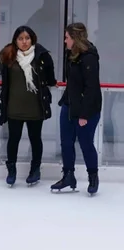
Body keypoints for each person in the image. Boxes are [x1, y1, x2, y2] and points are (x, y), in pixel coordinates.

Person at [0, 25, 57, 186]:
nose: (24, 42)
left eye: (27, 38)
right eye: (21, 39)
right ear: (15, 40)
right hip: (14, 108)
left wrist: (52, 82)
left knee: (35, 139)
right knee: (13, 139)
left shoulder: (41, 55)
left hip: (35, 107)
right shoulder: (8, 54)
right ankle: (11, 170)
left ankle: (35, 170)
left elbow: (50, 77)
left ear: (32, 39)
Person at [51, 23, 102, 195]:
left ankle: (93, 177)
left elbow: (91, 87)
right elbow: (72, 82)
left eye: (67, 37)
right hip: (70, 105)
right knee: (66, 142)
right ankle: (68, 176)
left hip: (87, 110)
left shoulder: (89, 57)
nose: (65, 41)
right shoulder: (71, 55)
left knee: (86, 143)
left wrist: (84, 114)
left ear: (75, 38)